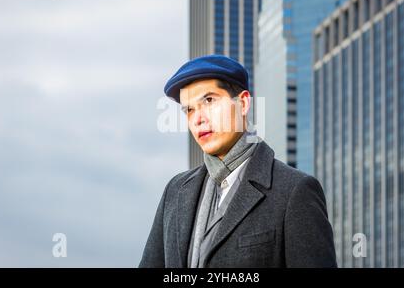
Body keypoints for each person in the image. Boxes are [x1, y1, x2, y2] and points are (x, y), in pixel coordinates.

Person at [139, 55, 337, 268]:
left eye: (209, 101)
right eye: (189, 109)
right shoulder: (175, 192)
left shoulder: (294, 191)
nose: (198, 118)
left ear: (243, 103)